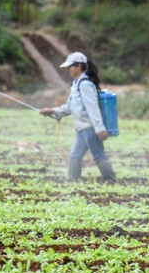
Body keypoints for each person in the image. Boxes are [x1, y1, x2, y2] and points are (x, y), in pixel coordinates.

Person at [40, 52, 117, 183]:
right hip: (81, 129)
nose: (68, 69)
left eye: (70, 66)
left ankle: (111, 179)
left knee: (98, 155)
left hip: (90, 128)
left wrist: (99, 128)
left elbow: (93, 107)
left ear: (79, 66)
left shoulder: (85, 85)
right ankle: (73, 179)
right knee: (75, 155)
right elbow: (69, 107)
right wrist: (53, 111)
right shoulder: (76, 85)